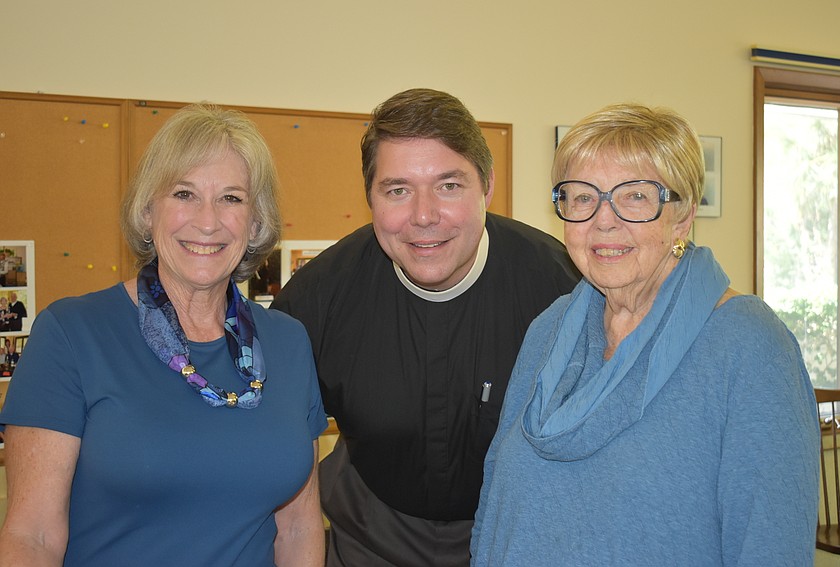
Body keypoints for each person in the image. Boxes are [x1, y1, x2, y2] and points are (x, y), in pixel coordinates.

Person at [470, 103, 820, 565]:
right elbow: (496, 499)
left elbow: (771, 546)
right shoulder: (549, 330)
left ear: (683, 215)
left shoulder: (750, 345)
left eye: (635, 196)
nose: (603, 219)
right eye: (581, 196)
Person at [0, 104, 327, 566]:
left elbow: (298, 527)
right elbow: (31, 539)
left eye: (232, 198)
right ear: (147, 211)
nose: (208, 222)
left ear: (256, 224)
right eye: (184, 193)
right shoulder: (72, 335)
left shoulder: (288, 343)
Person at [271, 88, 580, 566]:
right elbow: (275, 458)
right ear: (370, 196)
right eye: (397, 190)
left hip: (522, 535)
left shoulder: (562, 288)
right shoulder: (317, 299)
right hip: (368, 536)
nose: (423, 216)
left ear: (488, 188)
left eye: (449, 185)